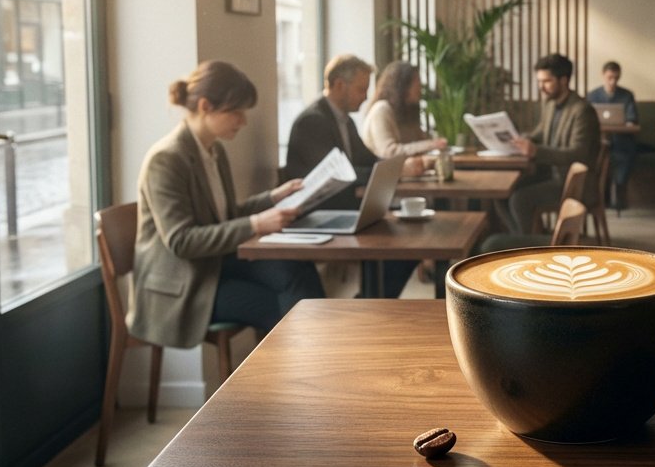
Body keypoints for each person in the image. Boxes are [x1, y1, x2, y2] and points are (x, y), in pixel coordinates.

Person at [130, 60, 323, 350]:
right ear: (206, 106)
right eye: (236, 112)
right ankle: (311, 371)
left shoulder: (213, 150)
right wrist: (258, 223)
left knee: (296, 270)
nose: (243, 121)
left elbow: (226, 216)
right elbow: (182, 241)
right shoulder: (166, 160)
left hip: (215, 264)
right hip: (186, 282)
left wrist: (273, 197)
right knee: (282, 307)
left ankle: (321, 362)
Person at [284, 54, 422, 296]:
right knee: (405, 245)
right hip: (318, 214)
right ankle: (369, 304)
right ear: (339, 86)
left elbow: (367, 161)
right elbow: (342, 174)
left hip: (344, 207)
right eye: (361, 89)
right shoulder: (312, 122)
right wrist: (395, 170)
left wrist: (398, 168)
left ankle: (370, 303)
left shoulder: (345, 121)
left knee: (413, 244)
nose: (366, 96)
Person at [506, 53, 601, 234]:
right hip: (552, 174)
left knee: (519, 199)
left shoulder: (582, 110)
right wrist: (521, 139)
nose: (541, 87)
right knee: (505, 191)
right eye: (539, 81)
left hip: (574, 183)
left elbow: (578, 153)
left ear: (564, 80)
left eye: (546, 82)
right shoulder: (550, 104)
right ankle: (529, 237)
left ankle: (529, 246)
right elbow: (540, 132)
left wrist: (535, 151)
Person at [361, 60, 447, 159]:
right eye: (416, 82)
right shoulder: (382, 110)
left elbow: (420, 142)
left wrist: (435, 144)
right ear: (402, 85)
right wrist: (432, 145)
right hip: (388, 173)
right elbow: (388, 152)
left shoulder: (408, 111)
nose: (420, 88)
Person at [586, 60, 638, 209]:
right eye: (610, 77)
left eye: (616, 78)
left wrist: (628, 123)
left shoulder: (627, 95)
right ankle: (599, 196)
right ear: (603, 76)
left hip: (621, 140)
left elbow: (631, 118)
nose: (612, 81)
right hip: (599, 140)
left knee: (625, 151)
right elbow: (587, 120)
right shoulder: (592, 96)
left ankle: (619, 191)